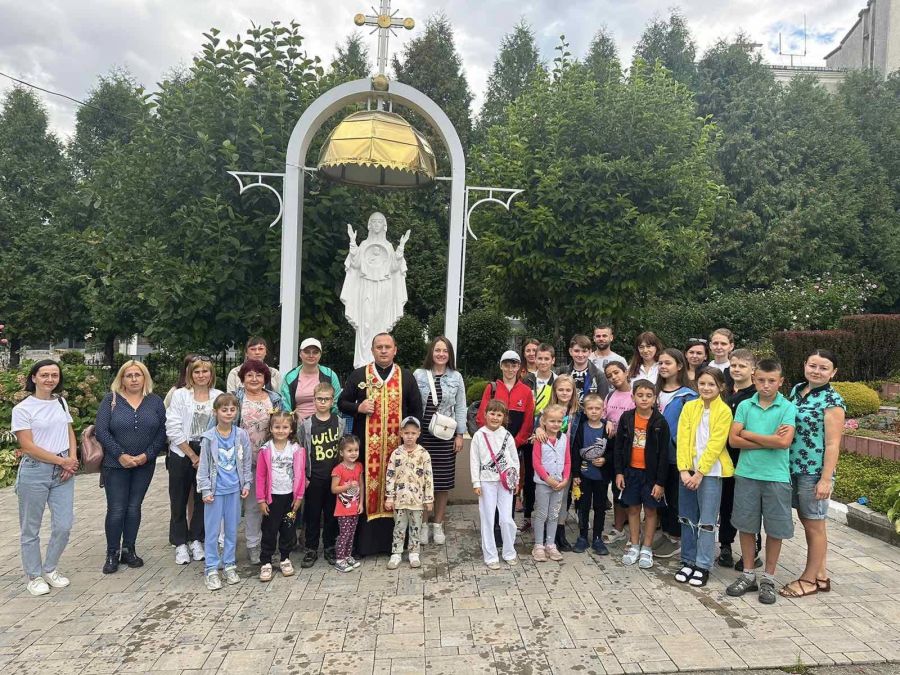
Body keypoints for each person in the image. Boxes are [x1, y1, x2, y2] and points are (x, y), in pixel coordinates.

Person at [337, 333, 423, 556]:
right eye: (379, 347)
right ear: (372, 350)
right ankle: (364, 545)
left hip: (398, 450)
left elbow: (416, 410)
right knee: (366, 489)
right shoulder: (359, 375)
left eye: (388, 347)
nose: (383, 351)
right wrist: (358, 407)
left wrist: (411, 439)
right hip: (366, 449)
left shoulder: (406, 377)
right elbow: (342, 403)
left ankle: (396, 545)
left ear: (395, 350)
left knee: (398, 490)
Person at [726, 359, 797, 605]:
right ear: (754, 379)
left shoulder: (787, 407)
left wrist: (748, 433)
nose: (766, 385)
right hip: (746, 473)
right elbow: (733, 441)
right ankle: (748, 574)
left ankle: (768, 577)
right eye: (761, 380)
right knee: (746, 526)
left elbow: (783, 443)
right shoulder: (745, 405)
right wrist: (768, 439)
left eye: (771, 381)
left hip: (776, 477)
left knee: (775, 529)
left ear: (780, 381)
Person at [780, 349, 845, 599]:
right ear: (805, 365)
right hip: (791, 467)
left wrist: (826, 479)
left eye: (823, 368)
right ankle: (821, 575)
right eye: (813, 366)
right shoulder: (797, 390)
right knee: (813, 523)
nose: (816, 371)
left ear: (833, 372)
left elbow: (832, 444)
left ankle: (808, 579)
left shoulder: (833, 401)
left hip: (813, 472)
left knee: (813, 525)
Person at [11, 360, 78, 596]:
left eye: (54, 375)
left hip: (63, 471)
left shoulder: (61, 402)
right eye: (44, 375)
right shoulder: (22, 409)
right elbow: (27, 446)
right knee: (31, 528)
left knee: (64, 525)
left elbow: (69, 431)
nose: (50, 379)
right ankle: (34, 575)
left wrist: (72, 458)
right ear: (34, 378)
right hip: (35, 471)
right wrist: (62, 461)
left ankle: (50, 568)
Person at [95, 360, 167, 574]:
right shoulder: (111, 400)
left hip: (144, 464)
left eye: (138, 375)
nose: (134, 379)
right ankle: (111, 552)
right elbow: (102, 431)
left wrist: (147, 455)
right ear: (122, 378)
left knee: (134, 507)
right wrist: (121, 455)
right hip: (115, 465)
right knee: (117, 509)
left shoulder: (154, 402)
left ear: (145, 378)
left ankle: (129, 549)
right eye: (129, 375)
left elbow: (162, 432)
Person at [674, 368, 734, 588]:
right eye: (702, 384)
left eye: (711, 384)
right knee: (687, 517)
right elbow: (682, 439)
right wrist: (684, 470)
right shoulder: (689, 407)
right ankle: (688, 560)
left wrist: (700, 473)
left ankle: (703, 564)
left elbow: (715, 445)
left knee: (707, 522)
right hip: (687, 472)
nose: (706, 388)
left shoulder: (724, 411)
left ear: (721, 387)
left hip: (711, 473)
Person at [165, 355, 224, 565]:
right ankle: (180, 542)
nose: (201, 375)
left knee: (203, 499)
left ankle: (196, 538)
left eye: (205, 371)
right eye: (197, 371)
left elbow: (223, 425)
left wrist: (205, 456)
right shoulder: (180, 395)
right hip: (182, 452)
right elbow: (172, 426)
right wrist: (191, 454)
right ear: (191, 374)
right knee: (178, 498)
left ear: (211, 374)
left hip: (208, 452)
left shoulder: (218, 396)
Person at [414, 336, 466, 546]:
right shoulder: (419, 375)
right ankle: (423, 525)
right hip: (422, 436)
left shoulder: (456, 377)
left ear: (450, 354)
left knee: (442, 483)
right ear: (431, 352)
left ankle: (438, 524)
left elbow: (461, 406)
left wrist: (460, 434)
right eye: (437, 350)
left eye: (445, 351)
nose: (441, 354)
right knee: (422, 482)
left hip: (445, 436)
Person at [197, 393, 252, 591]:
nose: (228, 413)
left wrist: (246, 484)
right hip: (215, 490)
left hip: (234, 490)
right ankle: (211, 568)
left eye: (232, 409)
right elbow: (203, 465)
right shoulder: (209, 438)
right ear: (216, 412)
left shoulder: (241, 435)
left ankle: (229, 564)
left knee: (231, 529)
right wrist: (205, 489)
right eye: (224, 410)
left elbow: (245, 461)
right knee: (212, 532)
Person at [476, 350, 535, 533]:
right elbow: (481, 417)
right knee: (491, 487)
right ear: (501, 365)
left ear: (520, 367)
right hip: (491, 450)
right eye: (507, 365)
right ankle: (492, 528)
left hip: (513, 449)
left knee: (509, 487)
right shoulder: (492, 388)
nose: (510, 369)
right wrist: (491, 445)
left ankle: (505, 527)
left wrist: (513, 444)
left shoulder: (526, 392)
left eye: (514, 365)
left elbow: (528, 422)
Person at [341, 213, 411, 368]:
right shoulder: (365, 244)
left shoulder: (388, 246)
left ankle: (380, 363)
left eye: (380, 221)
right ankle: (363, 362)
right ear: (369, 225)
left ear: (384, 225)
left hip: (384, 287)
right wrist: (352, 242)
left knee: (381, 323)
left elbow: (393, 267)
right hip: (366, 287)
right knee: (365, 323)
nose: (377, 224)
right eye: (374, 221)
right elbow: (356, 263)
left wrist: (401, 247)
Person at [614, 380, 670, 570]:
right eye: (640, 395)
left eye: (648, 395)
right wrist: (619, 472)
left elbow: (664, 454)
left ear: (655, 398)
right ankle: (634, 544)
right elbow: (619, 448)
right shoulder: (627, 418)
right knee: (633, 508)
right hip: (631, 472)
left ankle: (647, 547)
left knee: (652, 510)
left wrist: (660, 482)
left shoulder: (660, 422)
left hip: (651, 475)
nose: (644, 399)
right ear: (633, 397)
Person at [234, 359, 285, 564]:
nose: (254, 379)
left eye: (259, 375)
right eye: (249, 375)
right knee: (233, 505)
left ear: (265, 378)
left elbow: (283, 425)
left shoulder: (274, 399)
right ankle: (223, 546)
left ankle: (254, 546)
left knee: (256, 506)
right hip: (238, 461)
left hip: (266, 462)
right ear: (242, 379)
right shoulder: (235, 399)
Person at [717, 349, 760, 569]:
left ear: (752, 370)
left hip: (747, 458)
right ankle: (725, 546)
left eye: (742, 366)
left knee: (748, 507)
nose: (736, 369)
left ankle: (752, 552)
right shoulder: (723, 393)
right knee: (725, 504)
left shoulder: (756, 395)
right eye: (733, 365)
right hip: (724, 458)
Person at [655, 348, 699, 559]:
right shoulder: (654, 392)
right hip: (654, 455)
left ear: (679, 366)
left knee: (675, 498)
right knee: (660, 496)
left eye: (668, 363)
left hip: (676, 456)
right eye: (661, 363)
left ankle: (677, 537)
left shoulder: (688, 396)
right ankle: (666, 533)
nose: (663, 366)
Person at [297, 382, 345, 568]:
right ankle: (311, 548)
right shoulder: (307, 424)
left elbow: (343, 448)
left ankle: (330, 546)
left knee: (331, 514)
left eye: (326, 399)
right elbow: (302, 450)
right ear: (314, 400)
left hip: (333, 478)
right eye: (319, 399)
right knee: (312, 514)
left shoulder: (338, 422)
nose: (322, 402)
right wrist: (304, 477)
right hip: (314, 478)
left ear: (332, 401)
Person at [256, 411, 306, 582]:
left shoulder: (296, 450)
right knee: (269, 530)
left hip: (290, 498)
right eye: (277, 427)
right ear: (270, 428)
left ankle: (285, 558)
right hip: (272, 498)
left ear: (291, 429)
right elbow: (261, 476)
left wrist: (299, 496)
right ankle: (266, 562)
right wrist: (261, 499)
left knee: (288, 529)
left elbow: (300, 474)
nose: (280, 430)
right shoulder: (265, 450)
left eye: (285, 427)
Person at [470, 399, 520, 568]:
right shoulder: (478, 435)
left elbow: (514, 459)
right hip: (486, 482)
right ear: (485, 414)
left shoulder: (507, 435)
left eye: (499, 415)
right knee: (488, 518)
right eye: (492, 413)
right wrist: (476, 482)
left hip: (505, 483)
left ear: (504, 417)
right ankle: (490, 555)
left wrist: (516, 479)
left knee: (506, 519)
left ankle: (509, 551)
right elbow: (474, 461)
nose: (495, 417)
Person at [385, 417, 435, 569]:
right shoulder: (396, 454)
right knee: (399, 527)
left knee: (416, 527)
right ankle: (396, 553)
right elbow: (390, 475)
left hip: (417, 501)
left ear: (419, 433)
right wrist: (389, 497)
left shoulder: (423, 454)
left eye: (413, 433)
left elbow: (428, 477)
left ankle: (414, 552)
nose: (409, 436)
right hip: (400, 500)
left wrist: (429, 499)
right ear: (401, 433)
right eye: (406, 432)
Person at [571, 393, 611, 555]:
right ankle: (582, 536)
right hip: (584, 475)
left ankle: (597, 537)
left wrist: (605, 459)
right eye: (590, 408)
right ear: (585, 411)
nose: (594, 411)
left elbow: (613, 450)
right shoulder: (581, 428)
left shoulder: (607, 429)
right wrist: (575, 474)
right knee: (583, 505)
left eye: (597, 408)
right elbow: (575, 451)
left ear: (603, 410)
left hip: (601, 477)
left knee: (600, 507)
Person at [531, 404, 571, 562]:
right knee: (541, 514)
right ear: (544, 422)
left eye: (559, 421)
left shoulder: (564, 438)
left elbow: (567, 461)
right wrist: (547, 479)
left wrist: (566, 479)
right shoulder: (540, 439)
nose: (555, 424)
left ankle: (550, 544)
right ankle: (538, 545)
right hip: (543, 484)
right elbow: (536, 463)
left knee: (554, 515)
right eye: (552, 421)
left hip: (560, 484)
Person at [600, 361, 635, 545]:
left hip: (632, 446)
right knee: (616, 487)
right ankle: (619, 528)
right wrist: (606, 422)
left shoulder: (635, 394)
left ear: (625, 372)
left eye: (616, 372)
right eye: (609, 375)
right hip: (613, 446)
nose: (614, 377)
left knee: (631, 489)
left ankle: (634, 533)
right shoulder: (610, 395)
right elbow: (604, 416)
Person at [280, 337, 342, 419]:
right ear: (300, 354)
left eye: (315, 352)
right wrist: (290, 420)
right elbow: (285, 404)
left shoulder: (330, 375)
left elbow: (336, 401)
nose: (311, 355)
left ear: (320, 354)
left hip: (325, 423)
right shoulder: (290, 377)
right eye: (307, 352)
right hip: (298, 425)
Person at [331, 435, 364, 572]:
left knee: (351, 533)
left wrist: (361, 503)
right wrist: (348, 486)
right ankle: (339, 559)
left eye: (356, 450)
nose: (353, 453)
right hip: (343, 509)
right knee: (344, 534)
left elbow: (361, 485)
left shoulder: (358, 466)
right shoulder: (338, 469)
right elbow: (334, 489)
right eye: (349, 450)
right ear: (341, 452)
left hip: (355, 507)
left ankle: (347, 555)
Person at [558, 334, 610, 404]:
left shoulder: (599, 376)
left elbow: (603, 402)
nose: (580, 354)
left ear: (590, 352)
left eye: (584, 351)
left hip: (590, 414)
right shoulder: (561, 373)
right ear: (570, 351)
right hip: (565, 413)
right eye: (576, 351)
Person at [523, 343, 557, 415]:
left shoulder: (557, 380)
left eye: (547, 359)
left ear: (553, 360)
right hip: (531, 422)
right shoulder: (528, 379)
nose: (543, 362)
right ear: (535, 359)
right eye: (540, 358)